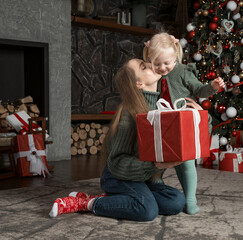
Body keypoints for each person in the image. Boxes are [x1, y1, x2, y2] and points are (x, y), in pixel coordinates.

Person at [49, 58, 187, 221]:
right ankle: (87, 203)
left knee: (176, 201)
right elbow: (117, 163)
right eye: (144, 66)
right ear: (138, 84)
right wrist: (155, 164)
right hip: (117, 176)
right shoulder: (129, 114)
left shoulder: (161, 107)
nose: (151, 65)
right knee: (147, 210)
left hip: (140, 178)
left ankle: (122, 199)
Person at [143, 32, 225, 215]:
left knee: (186, 162)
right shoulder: (150, 74)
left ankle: (190, 198)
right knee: (159, 158)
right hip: (162, 124)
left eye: (167, 63)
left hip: (182, 124)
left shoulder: (181, 71)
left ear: (175, 57)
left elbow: (199, 89)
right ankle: (158, 185)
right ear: (150, 59)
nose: (163, 68)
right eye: (157, 64)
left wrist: (211, 87)